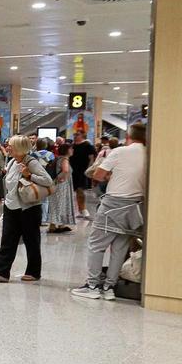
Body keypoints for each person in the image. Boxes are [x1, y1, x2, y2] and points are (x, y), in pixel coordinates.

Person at [72, 123, 148, 300]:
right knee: (120, 248)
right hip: (135, 205)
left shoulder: (120, 152)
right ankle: (109, 288)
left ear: (128, 136)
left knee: (97, 245)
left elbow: (98, 175)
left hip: (113, 203)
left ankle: (92, 285)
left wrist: (111, 176)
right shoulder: (149, 154)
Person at [0, 135, 54, 283]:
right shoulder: (12, 162)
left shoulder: (31, 162)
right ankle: (2, 272)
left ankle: (34, 272)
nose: (7, 147)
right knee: (7, 240)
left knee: (31, 241)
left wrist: (29, 175)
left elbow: (48, 181)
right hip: (11, 207)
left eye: (10, 145)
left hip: (28, 208)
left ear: (18, 147)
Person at [46, 143, 76, 233]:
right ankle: (56, 225)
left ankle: (56, 224)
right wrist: (62, 177)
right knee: (60, 203)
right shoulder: (64, 159)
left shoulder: (58, 158)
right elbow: (65, 170)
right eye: (71, 149)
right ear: (67, 150)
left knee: (56, 204)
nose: (72, 150)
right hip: (62, 186)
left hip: (57, 185)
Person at [69, 131, 97, 217]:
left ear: (83, 136)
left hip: (82, 171)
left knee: (80, 190)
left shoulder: (87, 145)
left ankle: (83, 209)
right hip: (72, 171)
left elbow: (91, 158)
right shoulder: (72, 146)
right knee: (75, 191)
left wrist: (88, 169)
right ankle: (80, 210)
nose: (75, 136)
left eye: (77, 134)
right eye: (74, 134)